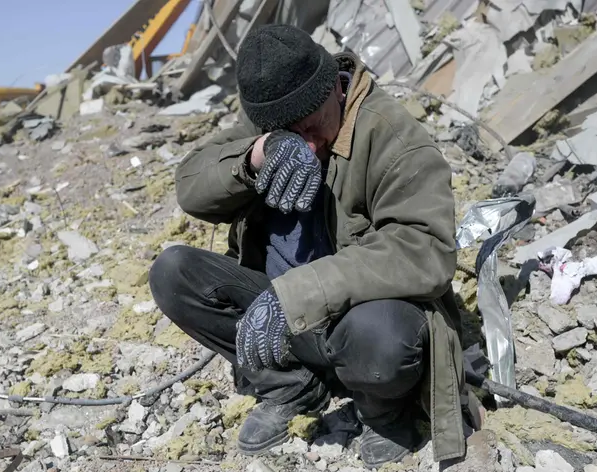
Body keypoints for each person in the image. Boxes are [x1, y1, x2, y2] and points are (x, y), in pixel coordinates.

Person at [149, 24, 480, 469]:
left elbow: (426, 251)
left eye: (311, 126)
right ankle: (291, 384)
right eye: (287, 132)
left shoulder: (393, 138)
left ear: (334, 89)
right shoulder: (273, 118)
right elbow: (191, 185)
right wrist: (257, 155)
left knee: (382, 341)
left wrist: (295, 295)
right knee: (173, 272)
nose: (306, 144)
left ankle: (383, 410)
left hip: (355, 319)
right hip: (285, 318)